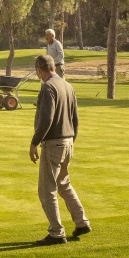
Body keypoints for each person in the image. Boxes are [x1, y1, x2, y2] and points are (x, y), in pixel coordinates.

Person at [30, 54, 91, 246]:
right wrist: (72, 140)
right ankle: (81, 222)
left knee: (47, 190)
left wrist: (34, 142)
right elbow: (75, 119)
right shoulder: (67, 86)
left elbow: (46, 119)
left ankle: (56, 232)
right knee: (63, 183)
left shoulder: (48, 87)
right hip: (68, 141)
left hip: (53, 143)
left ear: (40, 69)